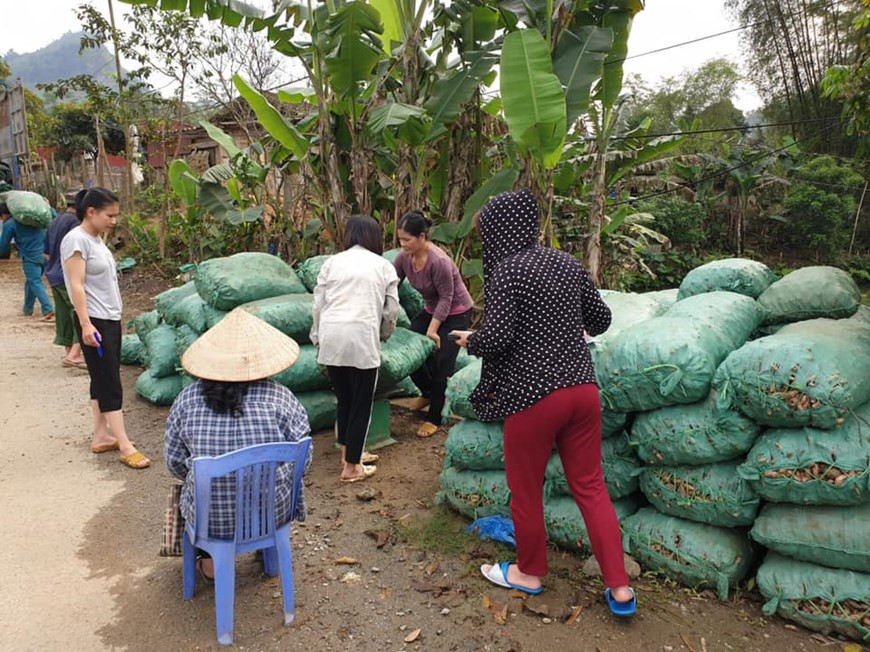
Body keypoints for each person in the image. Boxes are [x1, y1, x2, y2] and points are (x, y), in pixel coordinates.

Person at [450, 189, 636, 616]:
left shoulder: (508, 272)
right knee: (590, 487)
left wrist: (469, 340)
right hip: (583, 391)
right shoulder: (567, 263)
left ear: (499, 230)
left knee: (526, 490)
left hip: (534, 397)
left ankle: (529, 573)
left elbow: (497, 337)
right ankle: (620, 587)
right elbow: (602, 320)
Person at [165, 308, 312, 580]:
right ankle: (269, 550)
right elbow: (304, 459)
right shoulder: (281, 399)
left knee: (186, 490)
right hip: (272, 512)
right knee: (270, 488)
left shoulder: (186, 401)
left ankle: (209, 563)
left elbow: (174, 462)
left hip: (211, 520)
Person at [61, 188, 150, 469]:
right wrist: (86, 324)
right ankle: (125, 444)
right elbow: (76, 285)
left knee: (101, 376)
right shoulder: (76, 240)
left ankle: (101, 435)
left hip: (109, 318)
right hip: (95, 320)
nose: (114, 221)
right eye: (109, 215)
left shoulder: (96, 240)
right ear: (91, 212)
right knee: (110, 380)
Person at [311, 215, 400, 483]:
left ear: (349, 235)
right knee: (361, 403)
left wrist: (317, 337)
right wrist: (383, 335)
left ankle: (350, 454)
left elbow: (318, 304)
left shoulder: (332, 263)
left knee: (345, 400)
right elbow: (392, 309)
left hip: (332, 337)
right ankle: (352, 468)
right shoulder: (384, 266)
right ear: (375, 237)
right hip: (362, 337)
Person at [394, 210, 473, 437]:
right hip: (431, 310)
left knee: (441, 363)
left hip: (456, 313)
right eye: (400, 239)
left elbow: (447, 298)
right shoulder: (403, 258)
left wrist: (432, 330)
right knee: (410, 352)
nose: (403, 244)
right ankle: (428, 393)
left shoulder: (439, 261)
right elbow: (392, 284)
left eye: (407, 239)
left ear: (422, 237)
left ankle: (434, 418)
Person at [45, 191, 85, 368]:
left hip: (52, 274)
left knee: (63, 315)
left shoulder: (55, 221)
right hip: (67, 276)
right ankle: (75, 354)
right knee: (79, 311)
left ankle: (68, 351)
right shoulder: (76, 224)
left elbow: (45, 253)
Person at [0, 201, 55, 319]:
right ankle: (27, 308)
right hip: (46, 253)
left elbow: (3, 245)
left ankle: (48, 308)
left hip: (31, 257)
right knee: (30, 282)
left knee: (34, 281)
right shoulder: (34, 219)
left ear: (3, 215)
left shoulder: (9, 224)